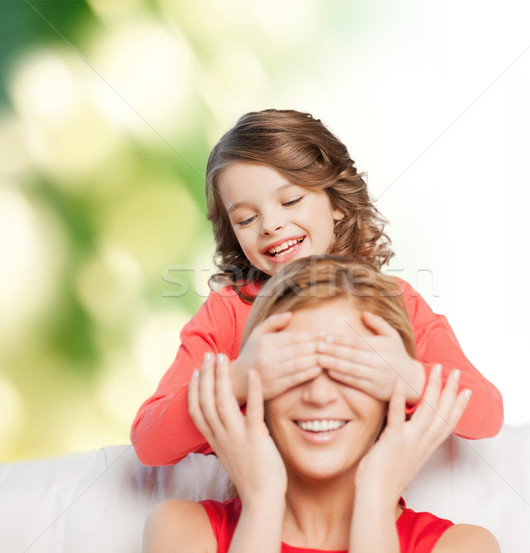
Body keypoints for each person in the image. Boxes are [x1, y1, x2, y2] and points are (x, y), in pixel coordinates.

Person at [131, 109, 503, 466]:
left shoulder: (393, 301)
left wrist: (406, 377)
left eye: (291, 200)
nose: (270, 225)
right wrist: (239, 380)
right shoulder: (227, 313)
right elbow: (149, 443)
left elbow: (487, 414)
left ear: (336, 204)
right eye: (246, 218)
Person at [141, 256, 500, 553]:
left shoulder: (464, 546)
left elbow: (484, 409)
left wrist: (375, 500)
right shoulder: (182, 531)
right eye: (295, 369)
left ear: (394, 396)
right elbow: (150, 437)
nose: (319, 395)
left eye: (348, 369)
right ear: (256, 395)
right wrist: (261, 501)